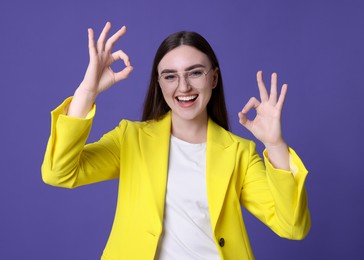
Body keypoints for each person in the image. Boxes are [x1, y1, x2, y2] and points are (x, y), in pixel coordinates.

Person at [41, 22, 310, 260]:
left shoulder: (239, 152)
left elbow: (292, 227)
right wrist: (87, 91)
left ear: (213, 78)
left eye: (195, 73)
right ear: (159, 83)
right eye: (170, 76)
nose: (183, 87)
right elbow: (59, 173)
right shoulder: (131, 139)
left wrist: (275, 145)